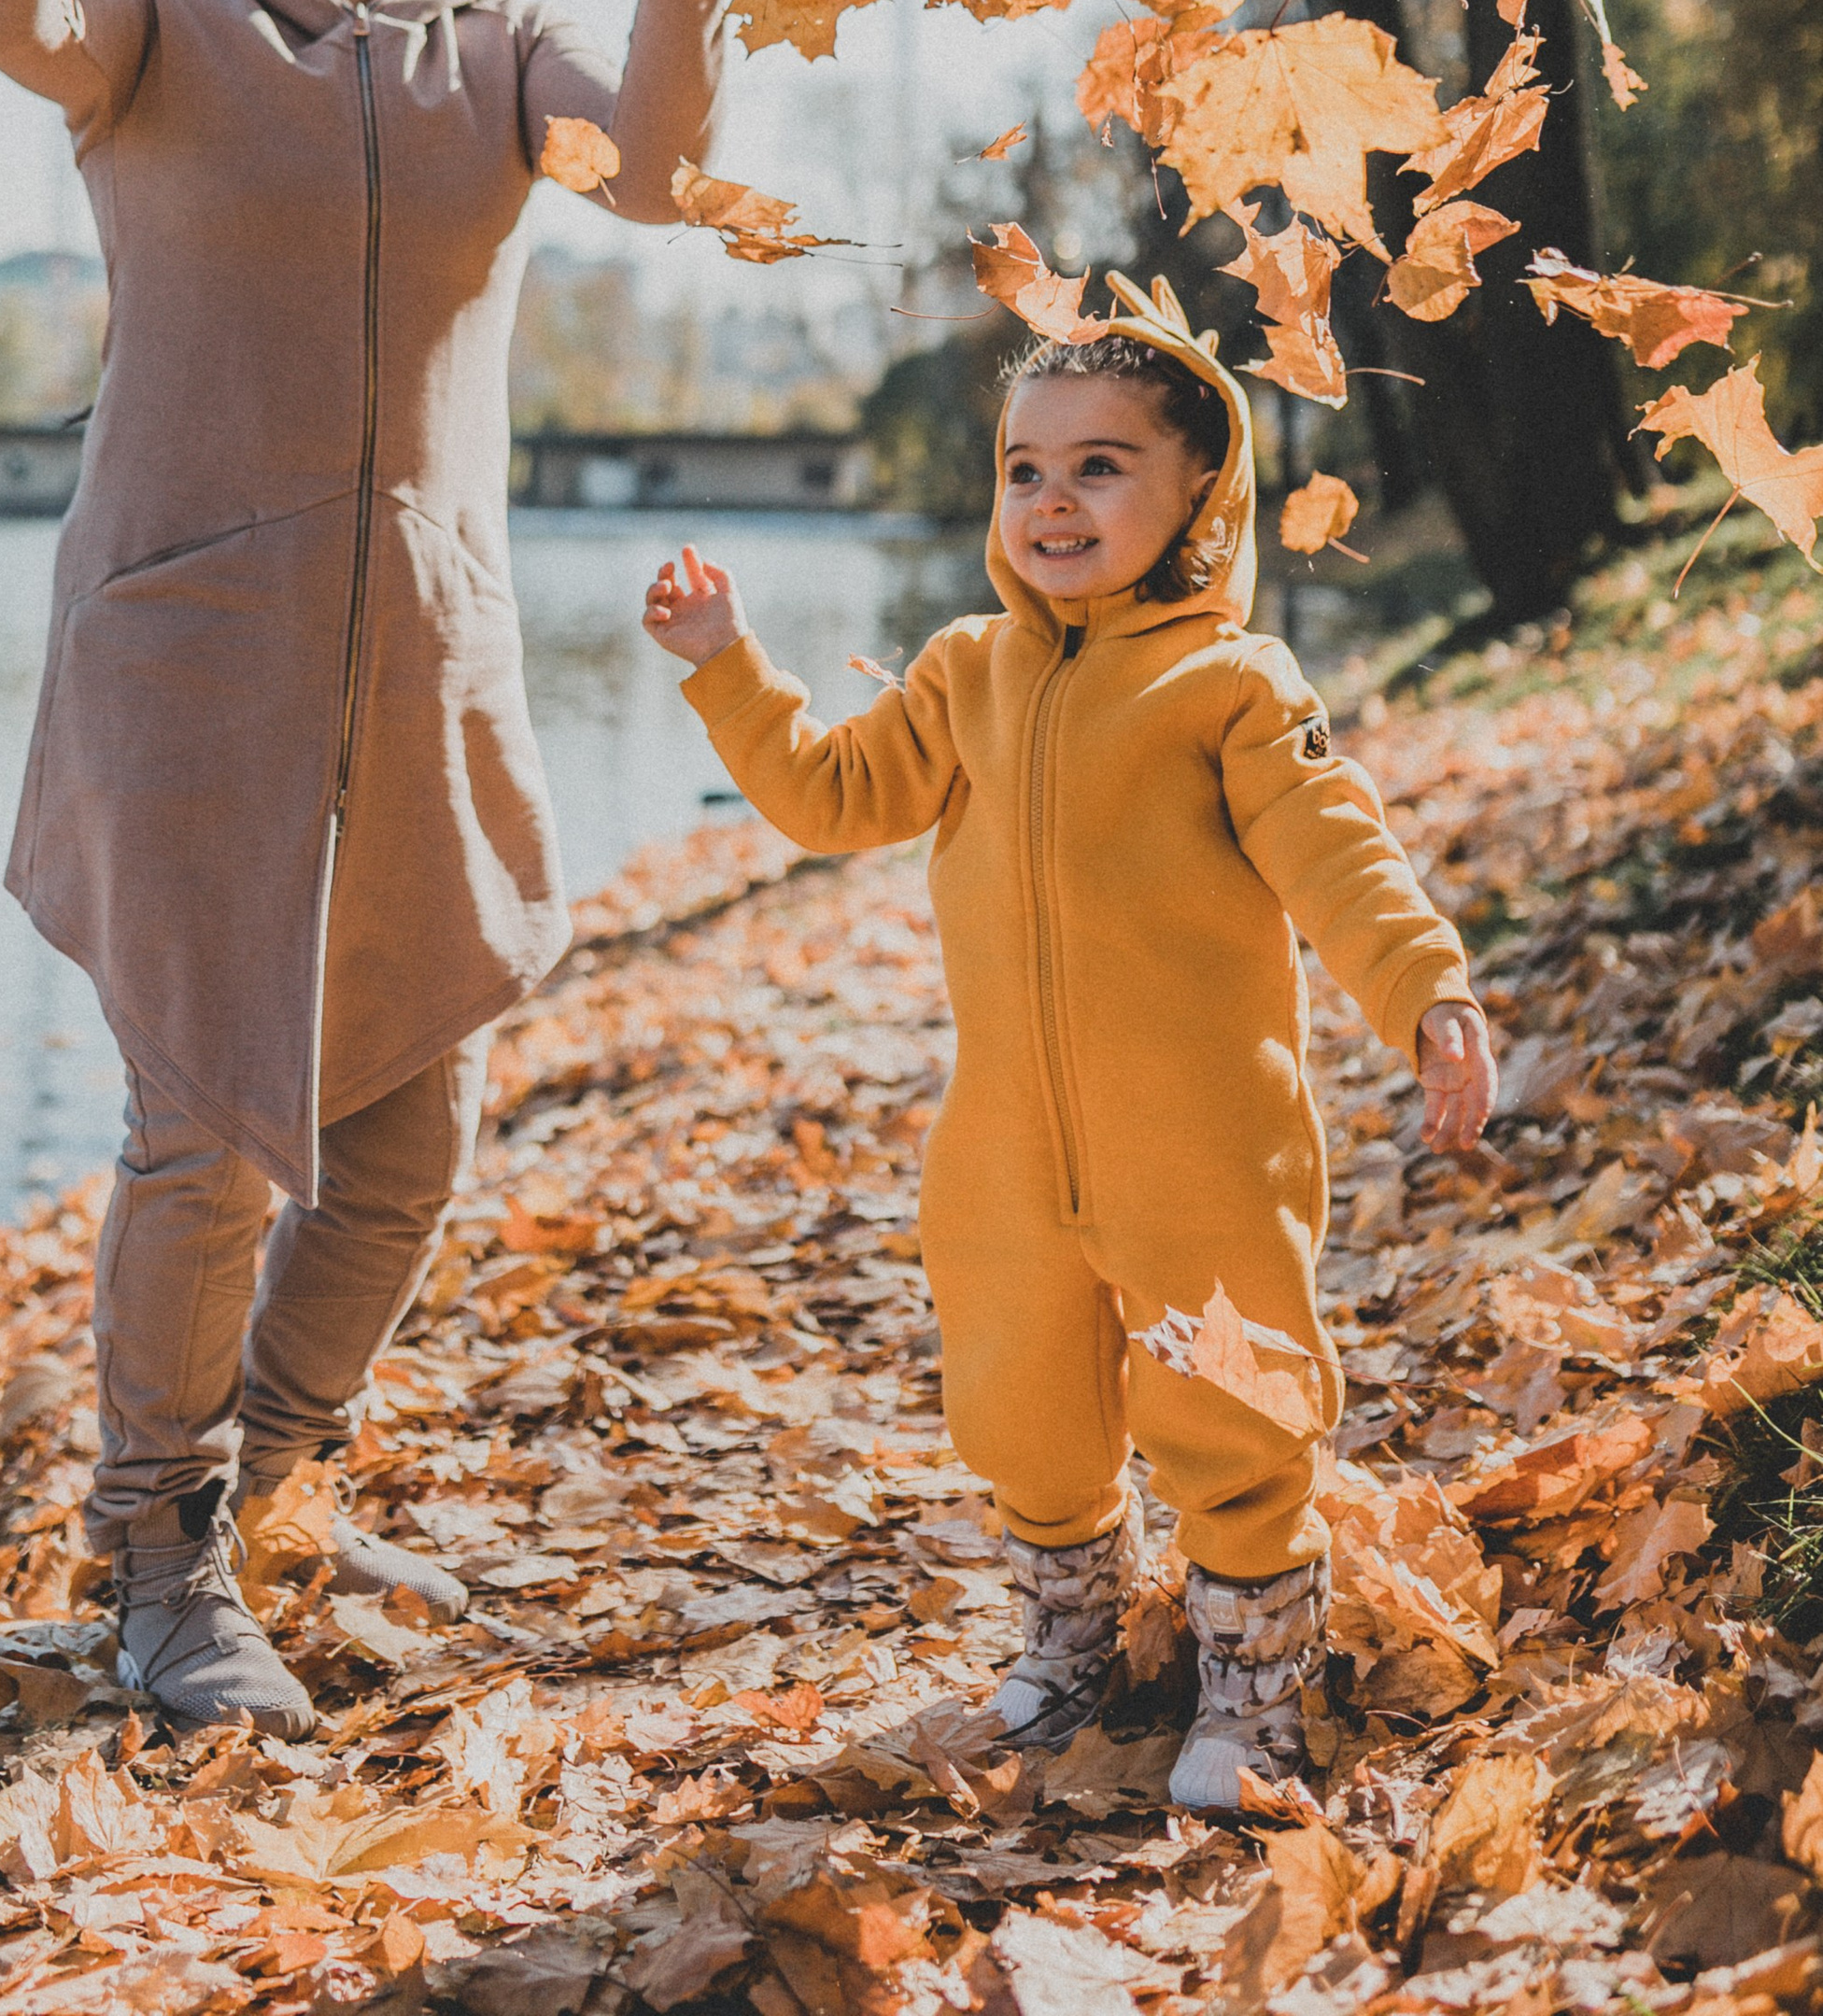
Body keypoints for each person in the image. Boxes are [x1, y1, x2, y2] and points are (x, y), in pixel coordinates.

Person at [0, 0, 798, 1733]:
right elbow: (1, 13)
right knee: (213, 1123)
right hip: (181, 651)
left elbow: (670, 171)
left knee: (409, 1124)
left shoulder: (493, 51)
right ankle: (157, 1559)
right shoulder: (149, 21)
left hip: (423, 649)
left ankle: (275, 1481)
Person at [642, 279, 1497, 1810]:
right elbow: (836, 797)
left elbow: (1337, 856)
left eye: (1102, 464)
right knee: (1026, 1410)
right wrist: (729, 666)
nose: (1052, 497)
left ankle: (1253, 1691)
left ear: (1198, 499)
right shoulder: (965, 672)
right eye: (1025, 466)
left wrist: (1426, 988)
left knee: (1230, 1411)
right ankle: (1071, 1635)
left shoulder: (1232, 688)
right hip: (1007, 1152)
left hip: (1203, 1154)